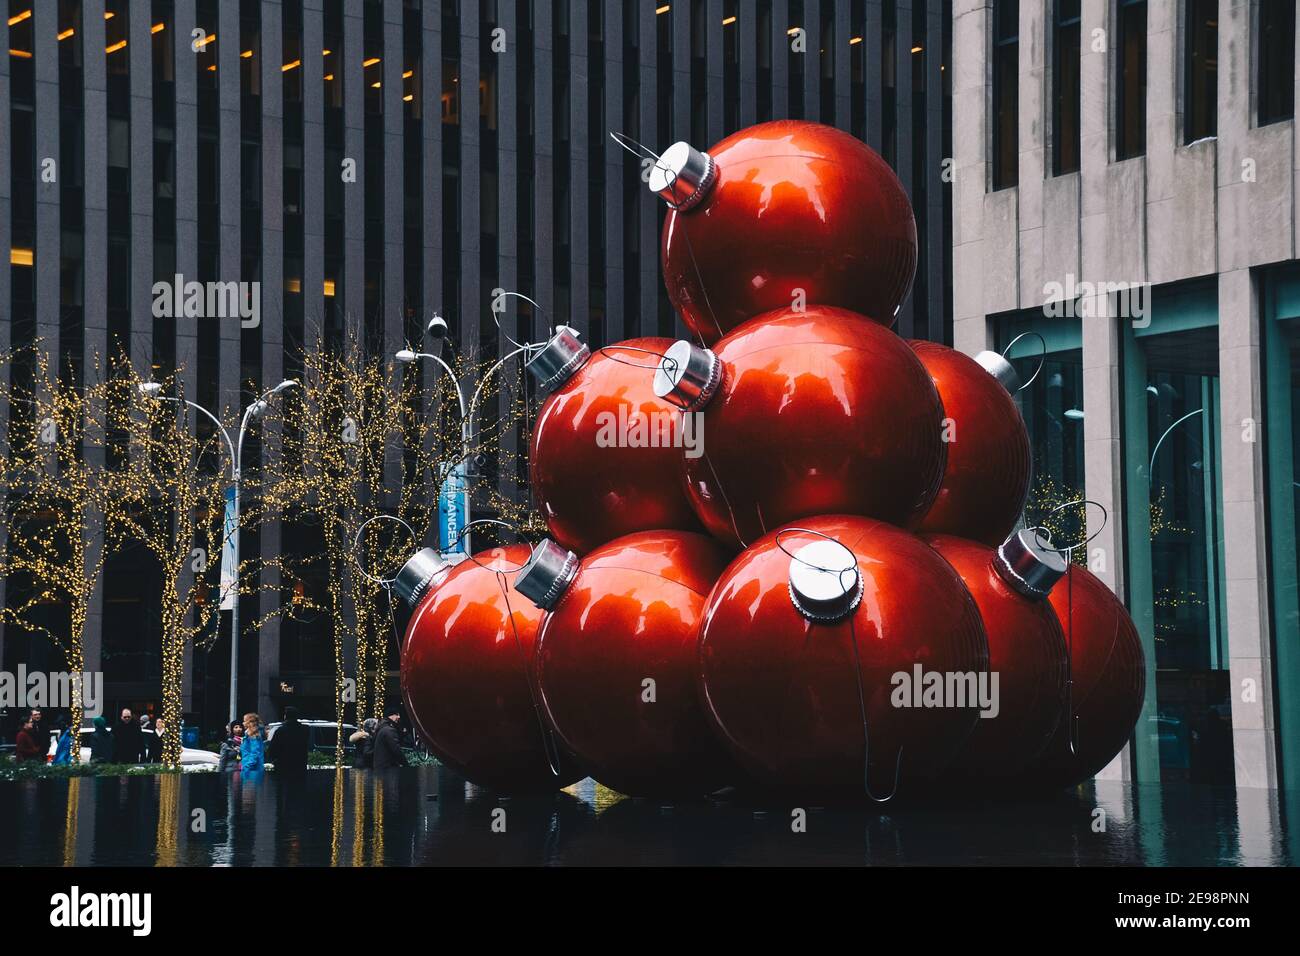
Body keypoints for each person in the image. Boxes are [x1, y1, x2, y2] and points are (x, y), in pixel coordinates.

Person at [266, 706, 309, 774]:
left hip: (284, 766)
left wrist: (274, 760)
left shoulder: (281, 731)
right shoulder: (305, 730)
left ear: (285, 716)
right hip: (300, 766)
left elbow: (272, 750)